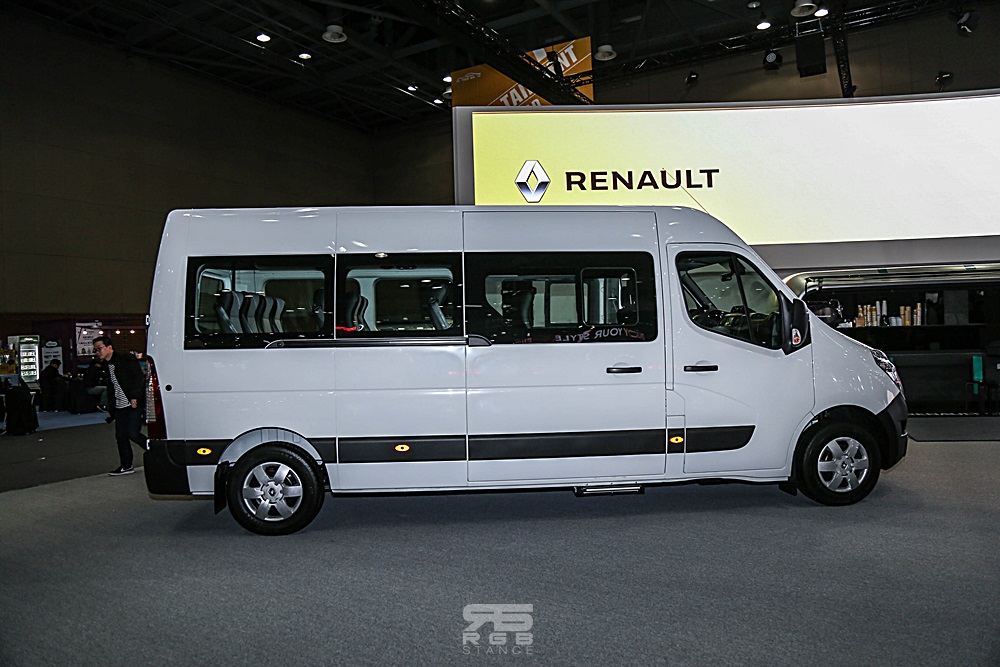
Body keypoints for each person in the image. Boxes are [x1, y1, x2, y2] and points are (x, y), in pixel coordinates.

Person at [93, 335, 148, 476]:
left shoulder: (126, 359)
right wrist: (111, 409)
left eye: (99, 349)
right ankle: (126, 465)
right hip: (119, 406)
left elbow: (138, 378)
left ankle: (155, 450)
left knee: (133, 433)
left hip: (133, 403)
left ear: (109, 347)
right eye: (95, 350)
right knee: (121, 437)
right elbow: (112, 389)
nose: (97, 352)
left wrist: (135, 396)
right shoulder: (106, 366)